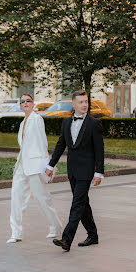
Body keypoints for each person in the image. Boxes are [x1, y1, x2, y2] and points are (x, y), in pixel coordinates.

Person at [46, 90, 104, 252]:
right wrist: (51, 166)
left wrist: (99, 172)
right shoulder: (66, 122)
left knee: (76, 205)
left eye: (86, 102)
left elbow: (100, 150)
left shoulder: (94, 123)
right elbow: (60, 145)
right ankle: (93, 235)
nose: (84, 105)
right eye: (81, 102)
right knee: (83, 203)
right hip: (72, 170)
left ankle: (66, 239)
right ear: (73, 104)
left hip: (86, 171)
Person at [6, 93, 62, 244]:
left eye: (28, 101)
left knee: (43, 198)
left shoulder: (37, 119)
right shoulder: (22, 122)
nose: (25, 103)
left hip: (35, 166)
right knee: (16, 197)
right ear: (20, 105)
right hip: (21, 166)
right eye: (22, 101)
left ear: (33, 103)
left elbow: (42, 143)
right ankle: (16, 233)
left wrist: (48, 166)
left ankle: (55, 227)